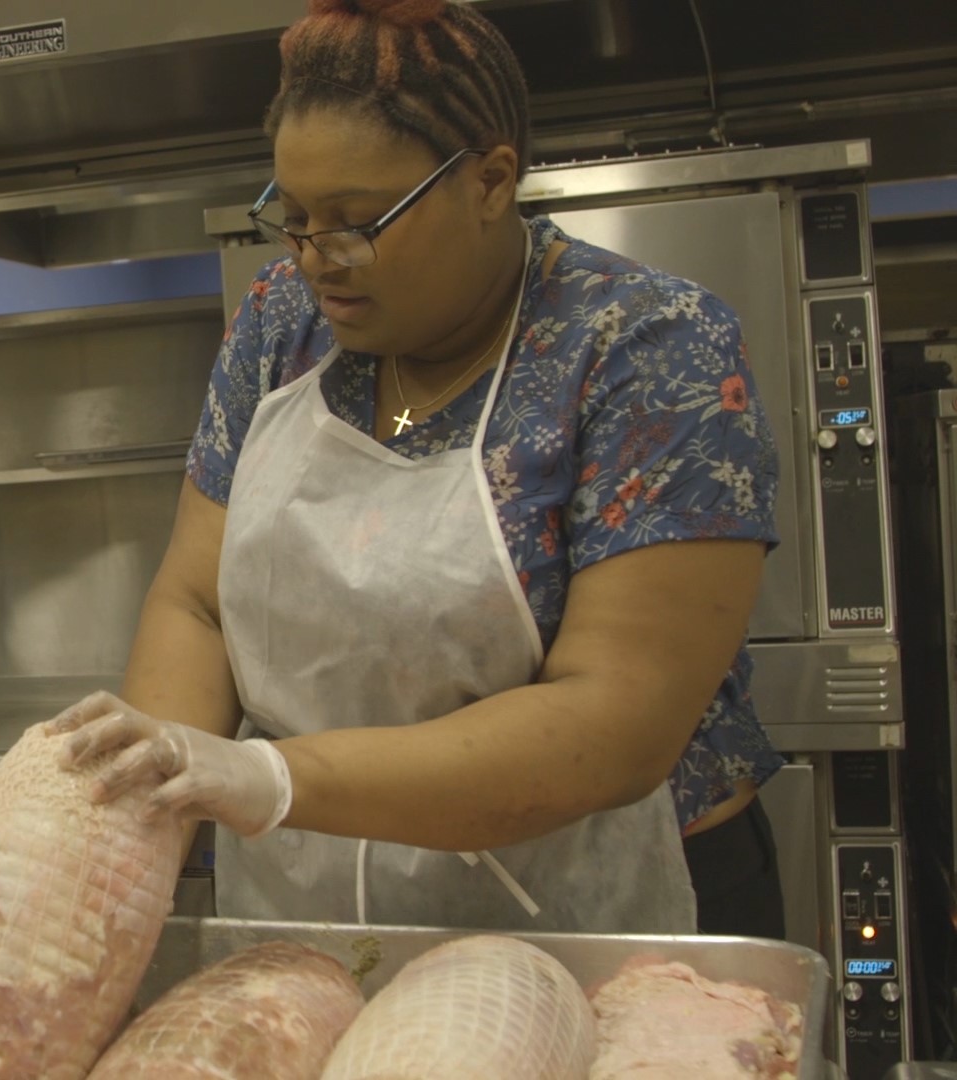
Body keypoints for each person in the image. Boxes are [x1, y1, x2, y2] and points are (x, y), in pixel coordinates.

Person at [52, 0, 784, 938]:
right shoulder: (286, 324)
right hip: (315, 914)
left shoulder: (644, 349)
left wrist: (276, 777)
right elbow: (195, 602)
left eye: (358, 222)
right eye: (296, 217)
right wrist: (139, 814)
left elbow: (613, 728)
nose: (319, 259)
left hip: (590, 917)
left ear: (489, 180)